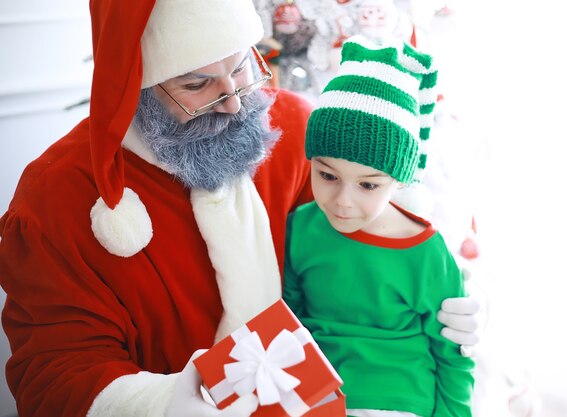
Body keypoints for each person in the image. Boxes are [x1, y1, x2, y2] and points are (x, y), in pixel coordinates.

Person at [0, 1, 482, 417]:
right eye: (196, 84)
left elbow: (352, 266)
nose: (232, 103)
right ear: (135, 84)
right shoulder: (56, 197)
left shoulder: (295, 130)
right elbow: (53, 371)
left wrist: (437, 304)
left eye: (242, 68)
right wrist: (167, 401)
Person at [283, 35, 474, 417]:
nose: (343, 201)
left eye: (368, 184)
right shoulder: (300, 230)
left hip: (402, 400)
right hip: (316, 396)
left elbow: (454, 356)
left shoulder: (426, 251)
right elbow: (289, 321)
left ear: (398, 181)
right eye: (327, 175)